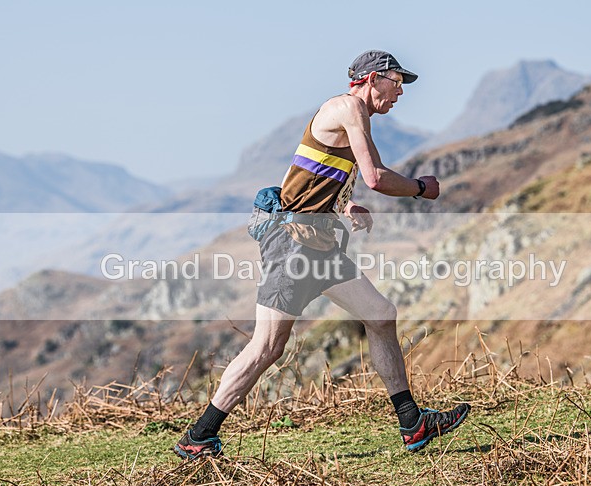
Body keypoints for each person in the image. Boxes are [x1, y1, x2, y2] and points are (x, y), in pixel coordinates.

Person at [175, 50, 470, 459]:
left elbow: (306, 179)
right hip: (293, 245)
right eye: (396, 81)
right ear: (370, 79)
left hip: (321, 247)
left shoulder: (350, 117)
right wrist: (422, 188)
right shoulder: (348, 108)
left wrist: (347, 206)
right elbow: (376, 177)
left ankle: (412, 424)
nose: (400, 91)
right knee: (267, 347)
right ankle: (199, 436)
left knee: (381, 315)